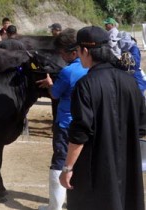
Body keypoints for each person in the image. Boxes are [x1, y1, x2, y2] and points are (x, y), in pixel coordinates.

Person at [59, 26, 146, 210]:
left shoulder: (85, 85)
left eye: (78, 51)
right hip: (127, 165)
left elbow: (80, 132)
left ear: (84, 51)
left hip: (94, 168)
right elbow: (142, 125)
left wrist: (67, 168)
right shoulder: (130, 81)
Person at [36, 28, 88, 210]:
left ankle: (55, 207)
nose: (61, 56)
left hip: (66, 123)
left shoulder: (67, 72)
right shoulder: (91, 67)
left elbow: (55, 95)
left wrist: (50, 84)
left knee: (60, 160)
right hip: (87, 122)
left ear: (74, 52)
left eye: (63, 52)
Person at [116, 31, 146, 97]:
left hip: (136, 79)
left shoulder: (134, 49)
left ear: (124, 40)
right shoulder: (125, 49)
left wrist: (123, 61)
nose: (118, 43)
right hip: (128, 79)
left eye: (119, 41)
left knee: (139, 99)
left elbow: (134, 64)